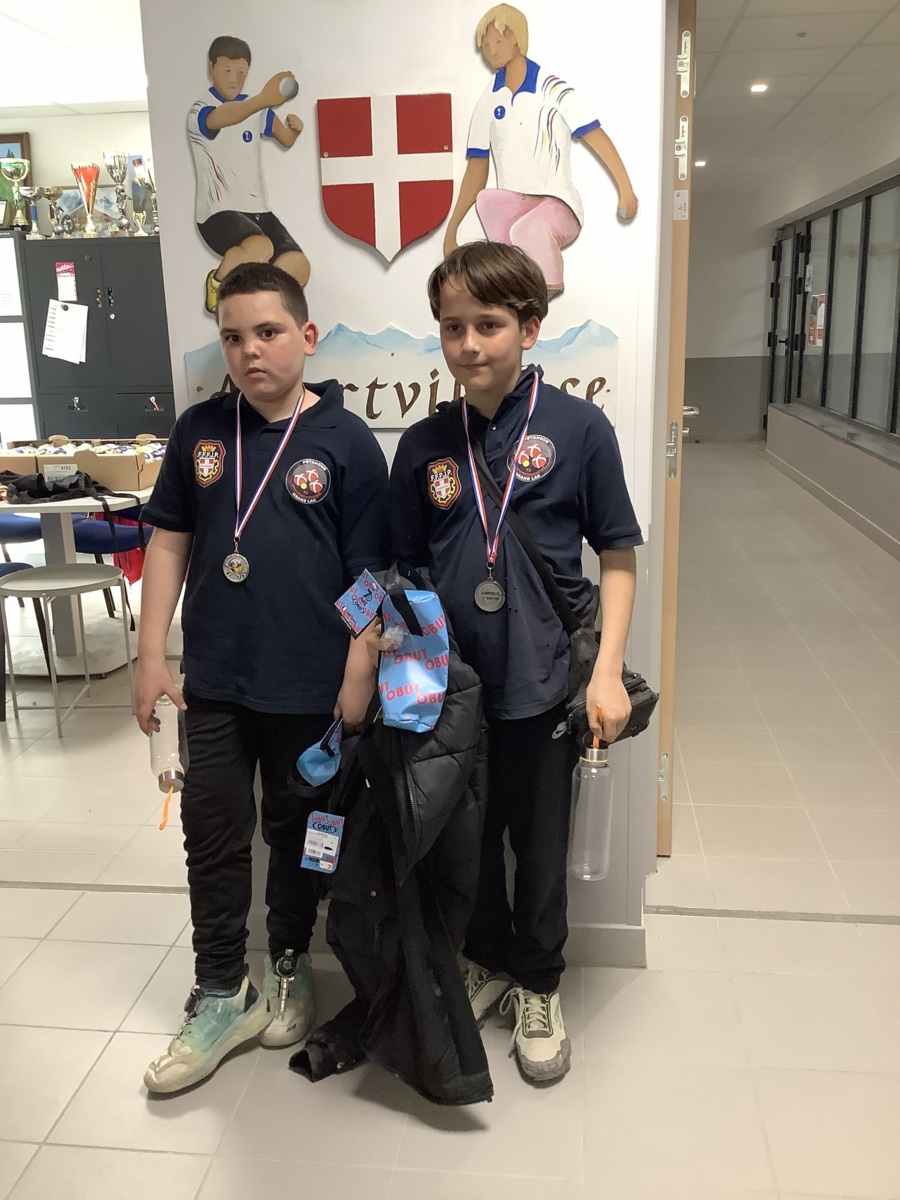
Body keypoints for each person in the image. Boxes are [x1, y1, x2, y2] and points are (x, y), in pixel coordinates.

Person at [389, 241, 642, 1082]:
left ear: (530, 328)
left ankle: (538, 982)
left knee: (537, 846)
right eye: (452, 326)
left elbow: (617, 555)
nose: (468, 344)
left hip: (542, 684)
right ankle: (488, 958)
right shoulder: (424, 444)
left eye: (489, 325)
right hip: (452, 691)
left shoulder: (578, 429)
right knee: (465, 840)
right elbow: (400, 567)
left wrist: (606, 671)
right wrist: (401, 667)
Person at [135, 262, 390, 1094]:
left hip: (310, 685)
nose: (250, 351)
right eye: (233, 337)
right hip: (213, 681)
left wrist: (358, 669)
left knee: (298, 828)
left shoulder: (346, 442)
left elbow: (368, 574)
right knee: (211, 833)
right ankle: (220, 991)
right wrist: (149, 654)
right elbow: (168, 542)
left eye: (269, 333)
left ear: (306, 337)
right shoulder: (200, 433)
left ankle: (287, 961)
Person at [443, 5, 638, 295]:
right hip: (517, 202)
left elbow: (593, 135)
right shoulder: (490, 98)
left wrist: (625, 189)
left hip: (558, 204)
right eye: (485, 44)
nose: (492, 50)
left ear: (516, 39)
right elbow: (477, 167)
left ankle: (548, 286)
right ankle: (511, 276)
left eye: (498, 41)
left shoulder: (552, 88)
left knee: (527, 229)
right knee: (487, 200)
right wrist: (452, 230)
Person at [188, 35, 310, 315]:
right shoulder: (201, 110)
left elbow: (284, 138)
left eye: (241, 73)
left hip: (258, 209)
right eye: (227, 70)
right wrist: (263, 99)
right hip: (218, 212)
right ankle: (217, 283)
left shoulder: (257, 109)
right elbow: (223, 117)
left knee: (298, 266)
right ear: (211, 68)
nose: (234, 79)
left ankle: (261, 306)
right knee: (259, 246)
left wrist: (294, 130)